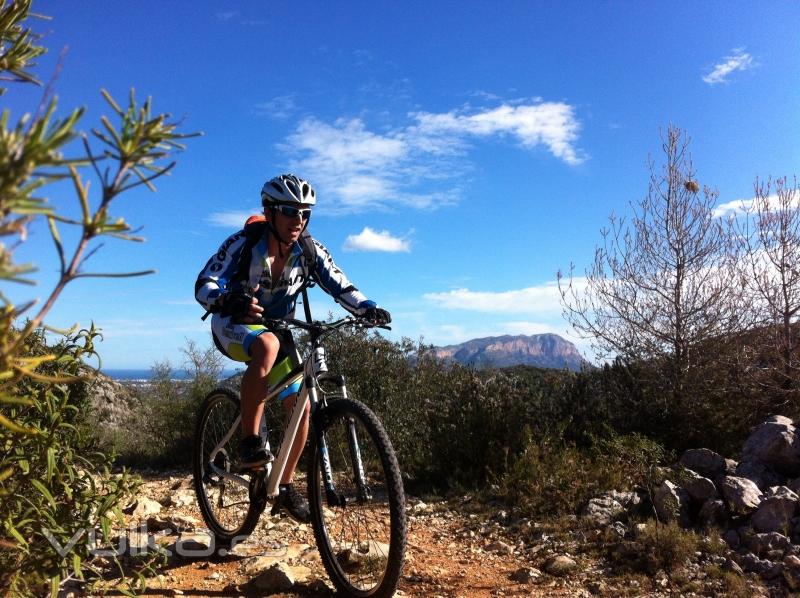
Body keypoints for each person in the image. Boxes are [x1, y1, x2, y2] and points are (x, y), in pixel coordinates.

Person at [195, 174, 390, 522]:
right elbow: (203, 283)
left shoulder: (310, 250)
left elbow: (341, 284)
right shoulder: (243, 244)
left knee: (300, 406)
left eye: (304, 213)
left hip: (278, 329)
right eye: (288, 211)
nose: (297, 220)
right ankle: (249, 441)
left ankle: (283, 487)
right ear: (269, 212)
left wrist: (367, 308)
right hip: (232, 323)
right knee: (267, 344)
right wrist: (227, 299)